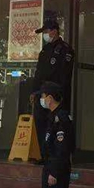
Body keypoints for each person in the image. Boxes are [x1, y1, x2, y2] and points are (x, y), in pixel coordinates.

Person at [38, 81, 74, 188]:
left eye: (43, 96)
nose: (42, 100)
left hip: (56, 169)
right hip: (50, 166)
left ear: (50, 98)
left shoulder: (61, 119)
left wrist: (54, 172)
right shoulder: (52, 117)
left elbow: (62, 149)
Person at [31, 14, 74, 150]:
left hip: (56, 95)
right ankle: (42, 153)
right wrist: (35, 92)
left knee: (55, 125)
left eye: (46, 31)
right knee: (40, 122)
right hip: (42, 93)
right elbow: (39, 73)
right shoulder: (45, 50)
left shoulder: (65, 49)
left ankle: (54, 153)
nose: (44, 34)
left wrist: (59, 96)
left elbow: (64, 76)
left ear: (54, 31)